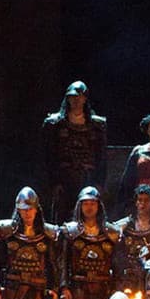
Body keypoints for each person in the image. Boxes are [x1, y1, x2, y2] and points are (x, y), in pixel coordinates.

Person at [41, 80, 108, 224]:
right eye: (72, 97)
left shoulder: (97, 126)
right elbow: (49, 156)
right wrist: (54, 182)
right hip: (64, 180)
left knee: (89, 218)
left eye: (79, 97)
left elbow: (102, 157)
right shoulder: (55, 124)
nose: (76, 101)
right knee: (62, 218)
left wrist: (99, 182)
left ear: (85, 99)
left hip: (88, 178)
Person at [112, 184, 150, 290]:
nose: (142, 204)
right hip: (128, 272)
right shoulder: (125, 224)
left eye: (146, 200)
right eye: (140, 200)